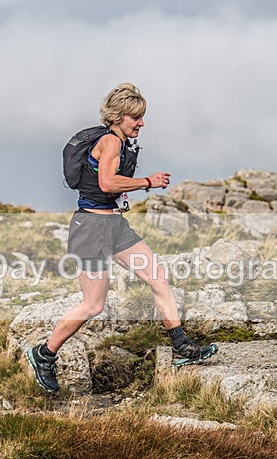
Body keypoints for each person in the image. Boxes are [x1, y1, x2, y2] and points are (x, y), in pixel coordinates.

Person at [25, 83, 217, 393]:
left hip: (115, 226)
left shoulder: (122, 143)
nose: (141, 123)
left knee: (157, 276)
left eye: (141, 117)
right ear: (117, 117)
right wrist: (147, 182)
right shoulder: (110, 142)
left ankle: (182, 346)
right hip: (92, 229)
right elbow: (107, 183)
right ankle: (44, 354)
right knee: (93, 305)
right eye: (135, 117)